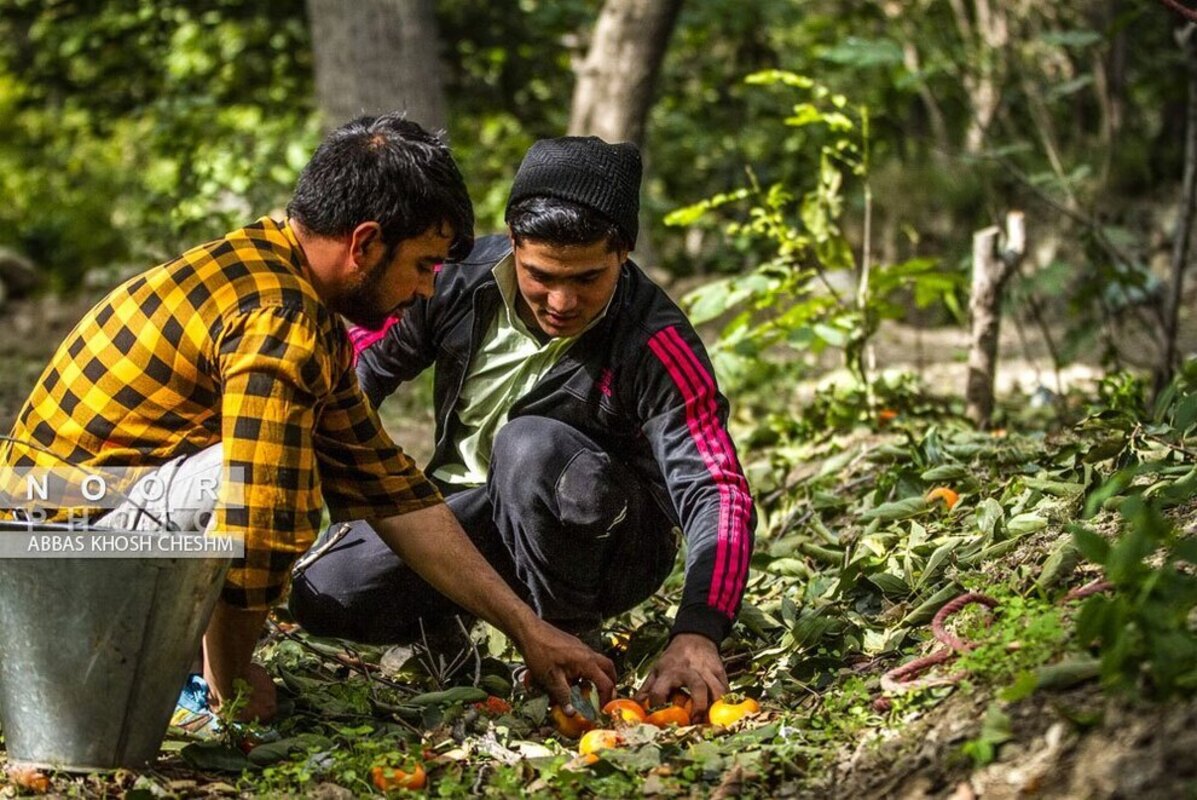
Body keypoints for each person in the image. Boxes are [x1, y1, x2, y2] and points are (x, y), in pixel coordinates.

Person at [0, 116, 615, 724]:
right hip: (41, 570)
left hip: (65, 530)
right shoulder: (280, 316)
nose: (428, 290)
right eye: (424, 265)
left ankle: (176, 673)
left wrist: (528, 630)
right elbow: (261, 519)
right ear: (365, 243)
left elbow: (394, 492)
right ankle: (174, 686)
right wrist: (234, 680)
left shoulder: (270, 275)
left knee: (267, 464)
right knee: (260, 477)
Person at [289, 136, 756, 719]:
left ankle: (569, 636)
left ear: (624, 252)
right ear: (512, 244)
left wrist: (699, 630)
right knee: (326, 589)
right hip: (471, 517)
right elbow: (351, 377)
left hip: (603, 534)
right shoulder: (450, 281)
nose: (561, 300)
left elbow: (717, 490)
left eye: (587, 278)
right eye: (540, 275)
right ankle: (459, 623)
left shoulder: (656, 340)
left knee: (528, 444)